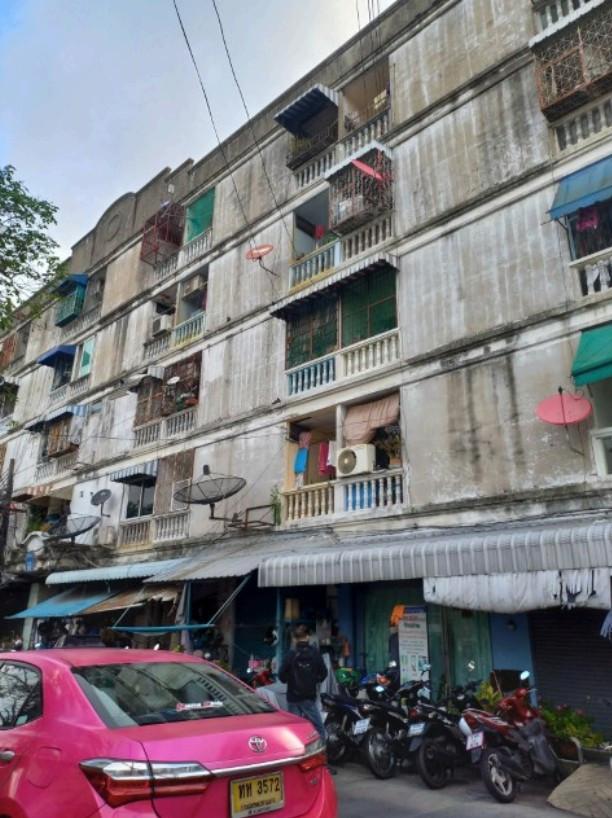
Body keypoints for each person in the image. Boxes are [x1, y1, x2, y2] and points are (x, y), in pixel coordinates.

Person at [278, 624, 327, 739]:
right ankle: (321, 746)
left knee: (295, 729)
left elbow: (281, 676)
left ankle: (298, 747)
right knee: (318, 727)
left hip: (293, 697)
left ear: (295, 639)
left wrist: (289, 680)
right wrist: (314, 681)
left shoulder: (291, 654)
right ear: (308, 637)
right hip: (309, 697)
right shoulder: (315, 653)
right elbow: (324, 673)